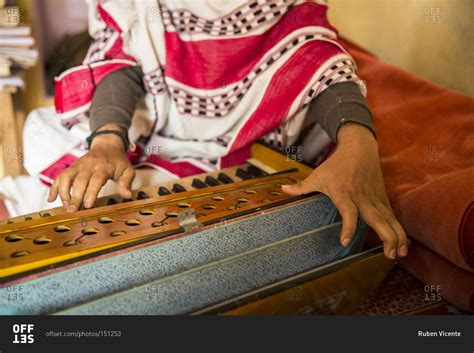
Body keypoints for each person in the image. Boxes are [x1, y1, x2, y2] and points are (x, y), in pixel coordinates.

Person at [24, 1, 410, 259]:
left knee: (309, 199)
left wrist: (358, 144)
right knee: (43, 138)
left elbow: (315, 56)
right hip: (156, 132)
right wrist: (107, 141)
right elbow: (123, 58)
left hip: (250, 139)